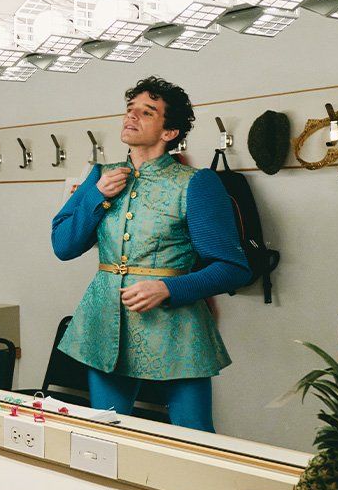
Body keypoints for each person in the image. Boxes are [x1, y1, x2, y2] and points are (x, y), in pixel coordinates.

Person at [51, 76, 250, 432]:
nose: (132, 117)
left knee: (195, 437)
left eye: (147, 112)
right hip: (106, 325)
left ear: (169, 132)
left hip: (177, 329)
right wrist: (96, 196)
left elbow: (233, 268)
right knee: (107, 434)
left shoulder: (196, 183)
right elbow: (63, 247)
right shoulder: (101, 176)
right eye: (130, 109)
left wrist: (168, 289)